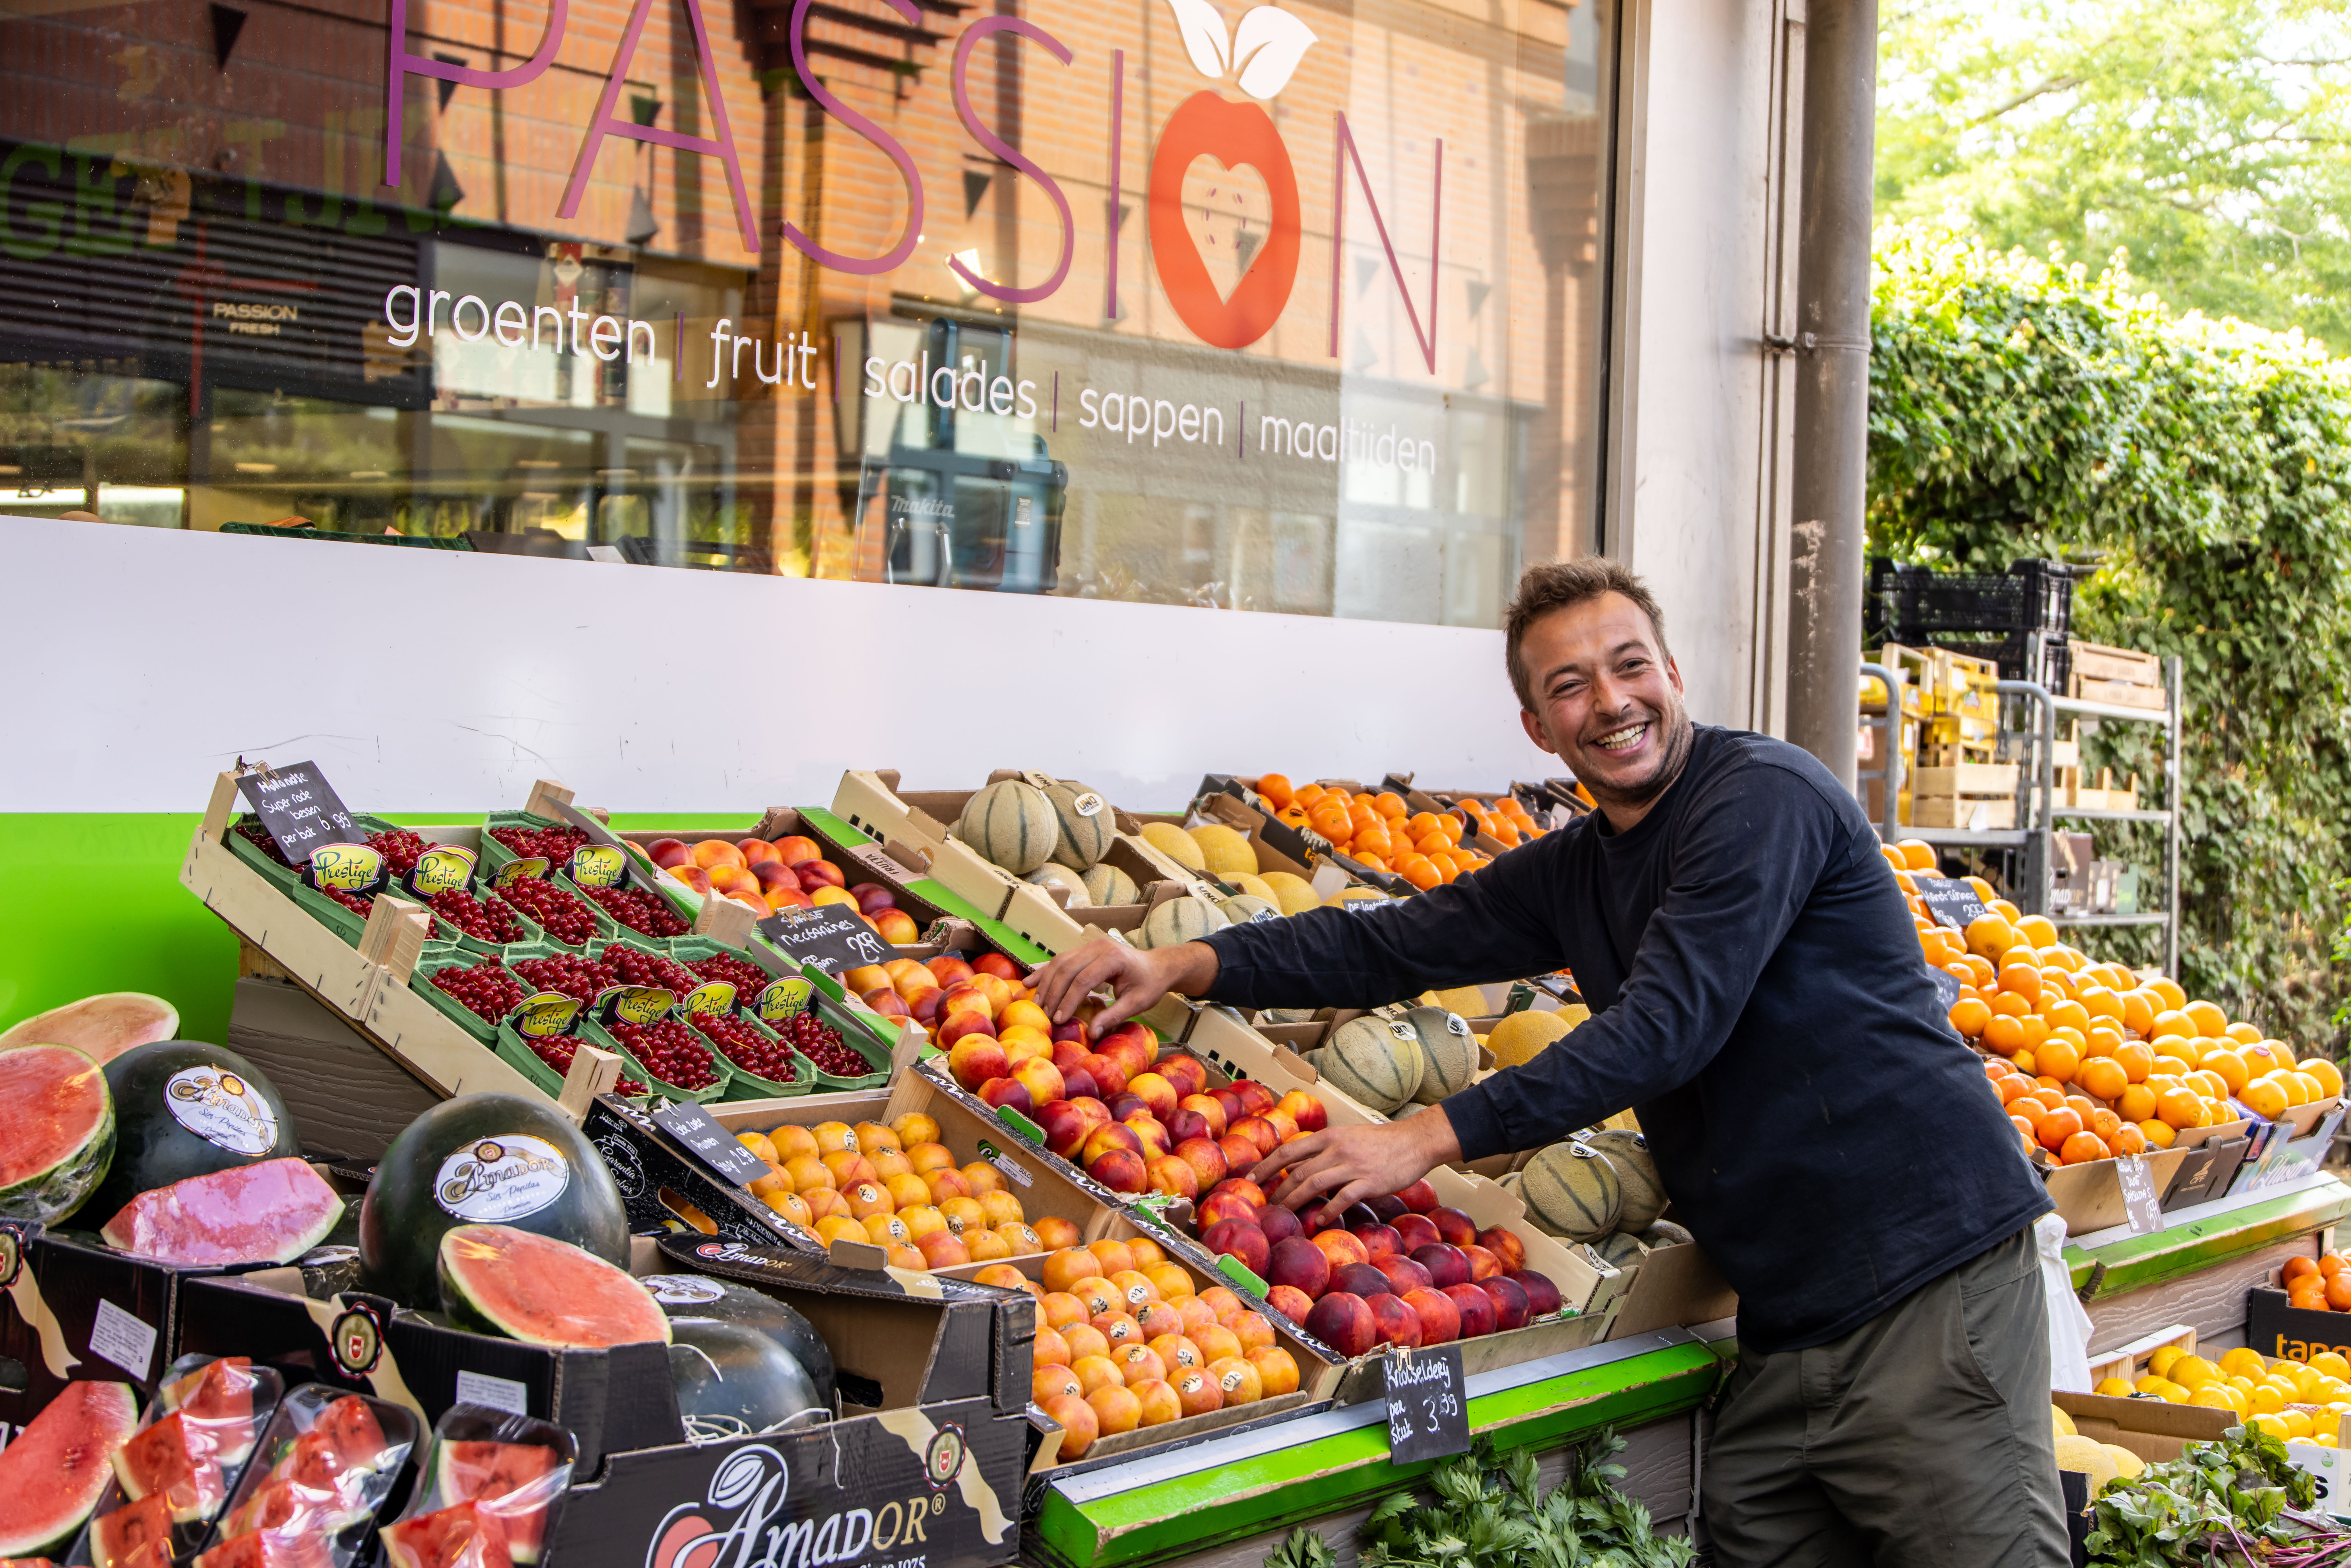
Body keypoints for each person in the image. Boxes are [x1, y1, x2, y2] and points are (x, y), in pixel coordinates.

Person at [1029, 558, 2066, 1567]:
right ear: (1537, 727)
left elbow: (1667, 1025)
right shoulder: (1581, 865)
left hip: (1929, 1284)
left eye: (1630, 666)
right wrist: (1183, 959)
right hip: (1790, 1318)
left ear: (1673, 675)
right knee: (1753, 1533)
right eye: (1570, 686)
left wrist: (1428, 1137)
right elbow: (1393, 940)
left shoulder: (1760, 801)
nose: (1610, 702)